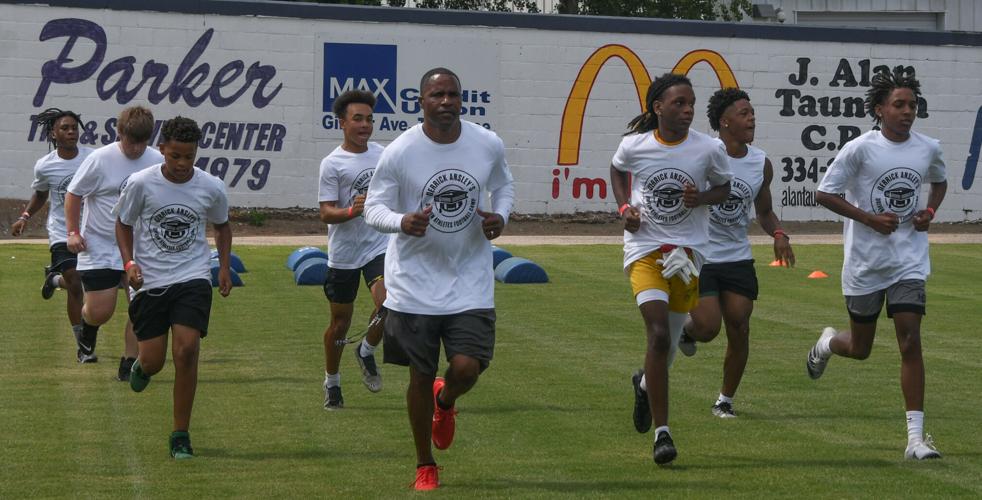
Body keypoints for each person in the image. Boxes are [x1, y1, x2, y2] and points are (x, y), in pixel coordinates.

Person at [364, 67, 514, 490]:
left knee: (467, 368)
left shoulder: (486, 143)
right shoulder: (401, 151)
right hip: (413, 284)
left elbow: (504, 186)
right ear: (421, 102)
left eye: (452, 94)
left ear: (461, 100)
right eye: (437, 95)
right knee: (419, 375)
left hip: (470, 278)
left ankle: (445, 401)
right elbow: (373, 208)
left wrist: (501, 216)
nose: (446, 101)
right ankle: (424, 464)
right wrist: (401, 221)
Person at [807, 69, 946, 460]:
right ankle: (827, 343)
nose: (907, 112)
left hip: (908, 260)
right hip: (866, 263)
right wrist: (868, 218)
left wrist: (930, 211)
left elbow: (939, 181)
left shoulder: (928, 148)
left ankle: (915, 440)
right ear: (879, 109)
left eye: (912, 105)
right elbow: (824, 194)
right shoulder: (860, 149)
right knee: (860, 348)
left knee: (910, 339)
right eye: (899, 105)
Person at [609, 73, 731, 465]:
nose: (688, 110)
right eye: (679, 103)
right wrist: (625, 208)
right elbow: (617, 170)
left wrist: (702, 198)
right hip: (644, 248)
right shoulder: (635, 145)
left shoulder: (708, 148)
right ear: (658, 107)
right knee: (659, 334)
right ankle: (663, 434)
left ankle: (645, 384)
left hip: (688, 253)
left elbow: (724, 188)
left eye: (691, 103)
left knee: (669, 346)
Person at [115, 116, 232, 460]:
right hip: (150, 281)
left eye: (189, 156)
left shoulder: (211, 186)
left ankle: (180, 435)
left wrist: (224, 267)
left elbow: (222, 227)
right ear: (162, 148)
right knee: (154, 362)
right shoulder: (140, 184)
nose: (182, 164)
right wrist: (129, 264)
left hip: (192, 277)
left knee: (187, 350)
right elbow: (123, 224)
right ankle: (142, 367)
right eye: (175, 156)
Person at [675, 88, 795, 418]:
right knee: (707, 328)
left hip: (738, 256)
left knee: (740, 327)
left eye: (752, 112)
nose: (752, 118)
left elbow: (764, 212)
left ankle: (724, 400)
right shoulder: (703, 156)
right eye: (744, 113)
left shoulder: (760, 163)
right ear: (725, 122)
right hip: (702, 254)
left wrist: (779, 233)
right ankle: (685, 330)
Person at [65, 106, 163, 378]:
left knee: (140, 306)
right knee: (101, 311)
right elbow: (73, 194)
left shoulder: (157, 161)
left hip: (139, 247)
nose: (136, 149)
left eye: (142, 142)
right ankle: (88, 326)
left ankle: (128, 363)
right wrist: (72, 232)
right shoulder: (100, 159)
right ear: (119, 133)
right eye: (131, 142)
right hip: (100, 244)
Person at [318, 89, 389, 410]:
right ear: (342, 123)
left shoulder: (383, 155)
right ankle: (332, 381)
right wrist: (352, 211)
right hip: (345, 253)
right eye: (358, 119)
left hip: (379, 246)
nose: (365, 125)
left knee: (390, 305)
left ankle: (366, 350)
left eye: (369, 119)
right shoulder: (332, 164)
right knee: (340, 325)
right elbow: (326, 212)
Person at [10, 108, 93, 342]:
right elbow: (40, 194)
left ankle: (54, 279)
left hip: (91, 230)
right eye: (65, 128)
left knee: (92, 283)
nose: (71, 132)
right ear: (53, 134)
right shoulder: (45, 165)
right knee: (75, 282)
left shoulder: (92, 158)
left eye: (74, 128)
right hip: (61, 231)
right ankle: (82, 342)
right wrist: (25, 216)